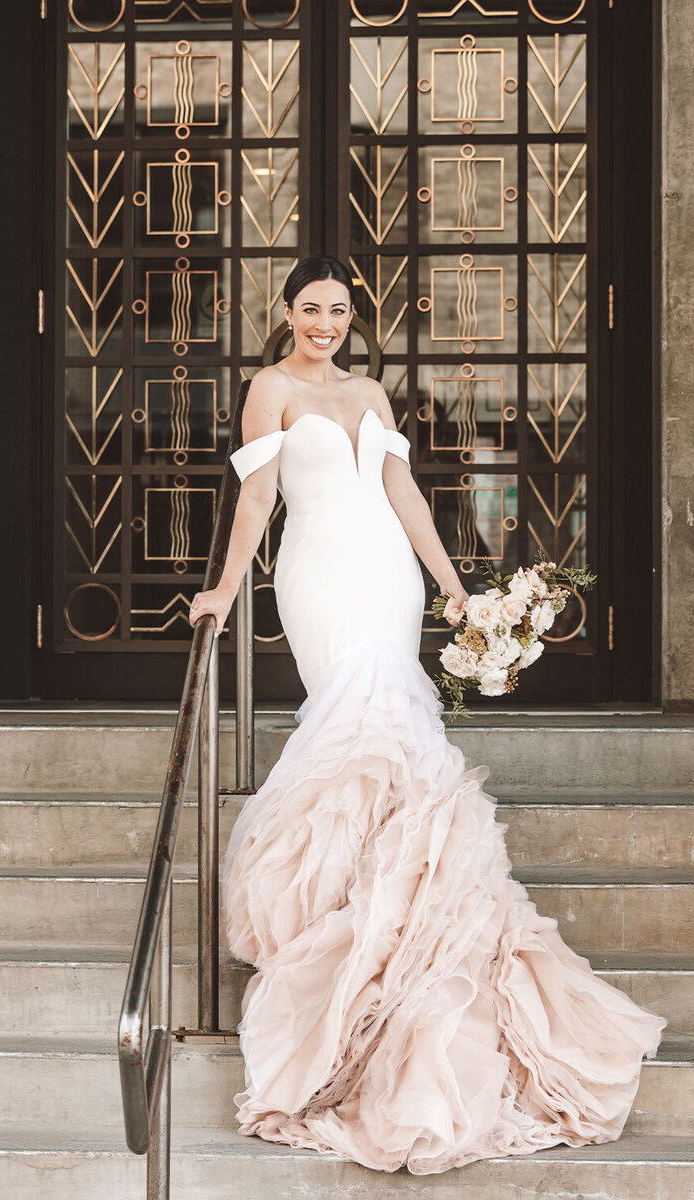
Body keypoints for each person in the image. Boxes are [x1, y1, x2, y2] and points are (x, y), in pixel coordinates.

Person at [188, 255, 666, 1175]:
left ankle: (405, 920)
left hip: (390, 582)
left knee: (401, 739)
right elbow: (256, 497)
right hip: (321, 578)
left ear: (352, 314)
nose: (325, 322)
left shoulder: (371, 391)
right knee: (357, 728)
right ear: (284, 312)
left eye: (339, 309)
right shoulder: (268, 389)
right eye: (311, 308)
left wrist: (452, 588)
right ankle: (355, 924)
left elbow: (402, 493)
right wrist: (222, 588)